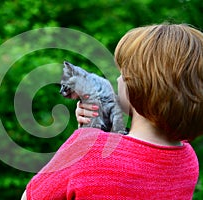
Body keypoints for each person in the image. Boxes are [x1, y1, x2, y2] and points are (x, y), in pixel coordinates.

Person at [21, 24, 203, 199]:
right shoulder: (188, 160)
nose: (117, 79)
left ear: (138, 86)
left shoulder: (87, 149)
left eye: (123, 73)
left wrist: (86, 138)